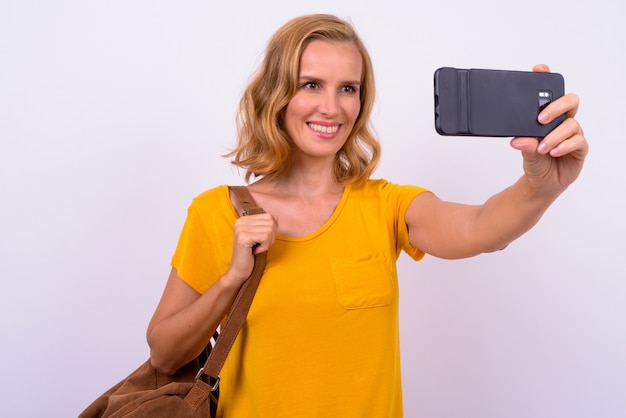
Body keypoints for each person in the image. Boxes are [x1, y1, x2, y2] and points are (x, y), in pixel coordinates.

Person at [145, 13, 588, 417]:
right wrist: (230, 281)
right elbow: (164, 355)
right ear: (277, 94)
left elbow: (479, 229)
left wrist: (539, 188)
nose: (331, 107)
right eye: (311, 84)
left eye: (348, 89)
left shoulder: (385, 205)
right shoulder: (216, 212)